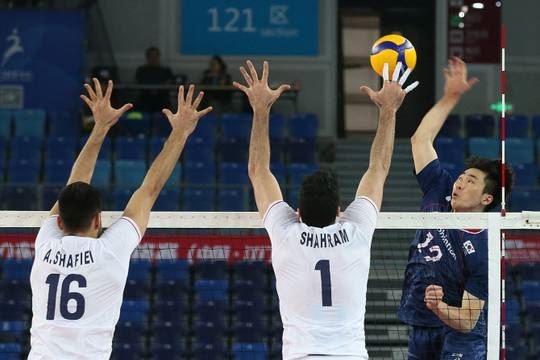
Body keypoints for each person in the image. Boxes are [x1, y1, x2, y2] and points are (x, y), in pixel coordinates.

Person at [233, 60, 418, 359]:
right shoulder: (355, 231)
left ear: (298, 213)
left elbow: (258, 171)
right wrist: (388, 111)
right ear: (339, 210)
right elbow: (379, 168)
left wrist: (260, 110)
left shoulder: (286, 232)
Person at [28, 79, 211, 359]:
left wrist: (99, 127)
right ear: (98, 220)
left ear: (60, 222)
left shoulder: (46, 244)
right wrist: (180, 133)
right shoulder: (109, 251)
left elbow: (74, 184)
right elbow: (149, 190)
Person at [399, 57, 514, 360]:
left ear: (487, 199)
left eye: (471, 181)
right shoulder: (438, 190)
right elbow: (420, 140)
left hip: (462, 335)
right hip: (422, 322)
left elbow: (467, 320)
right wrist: (451, 96)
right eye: (462, 177)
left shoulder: (486, 246)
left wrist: (439, 306)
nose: (460, 183)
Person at [135, 46, 174, 112]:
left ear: (158, 57)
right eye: (151, 56)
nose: (153, 58)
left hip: (161, 99)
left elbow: (169, 84)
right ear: (147, 57)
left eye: (155, 56)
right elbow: (138, 83)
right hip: (145, 99)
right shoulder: (141, 70)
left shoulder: (166, 70)